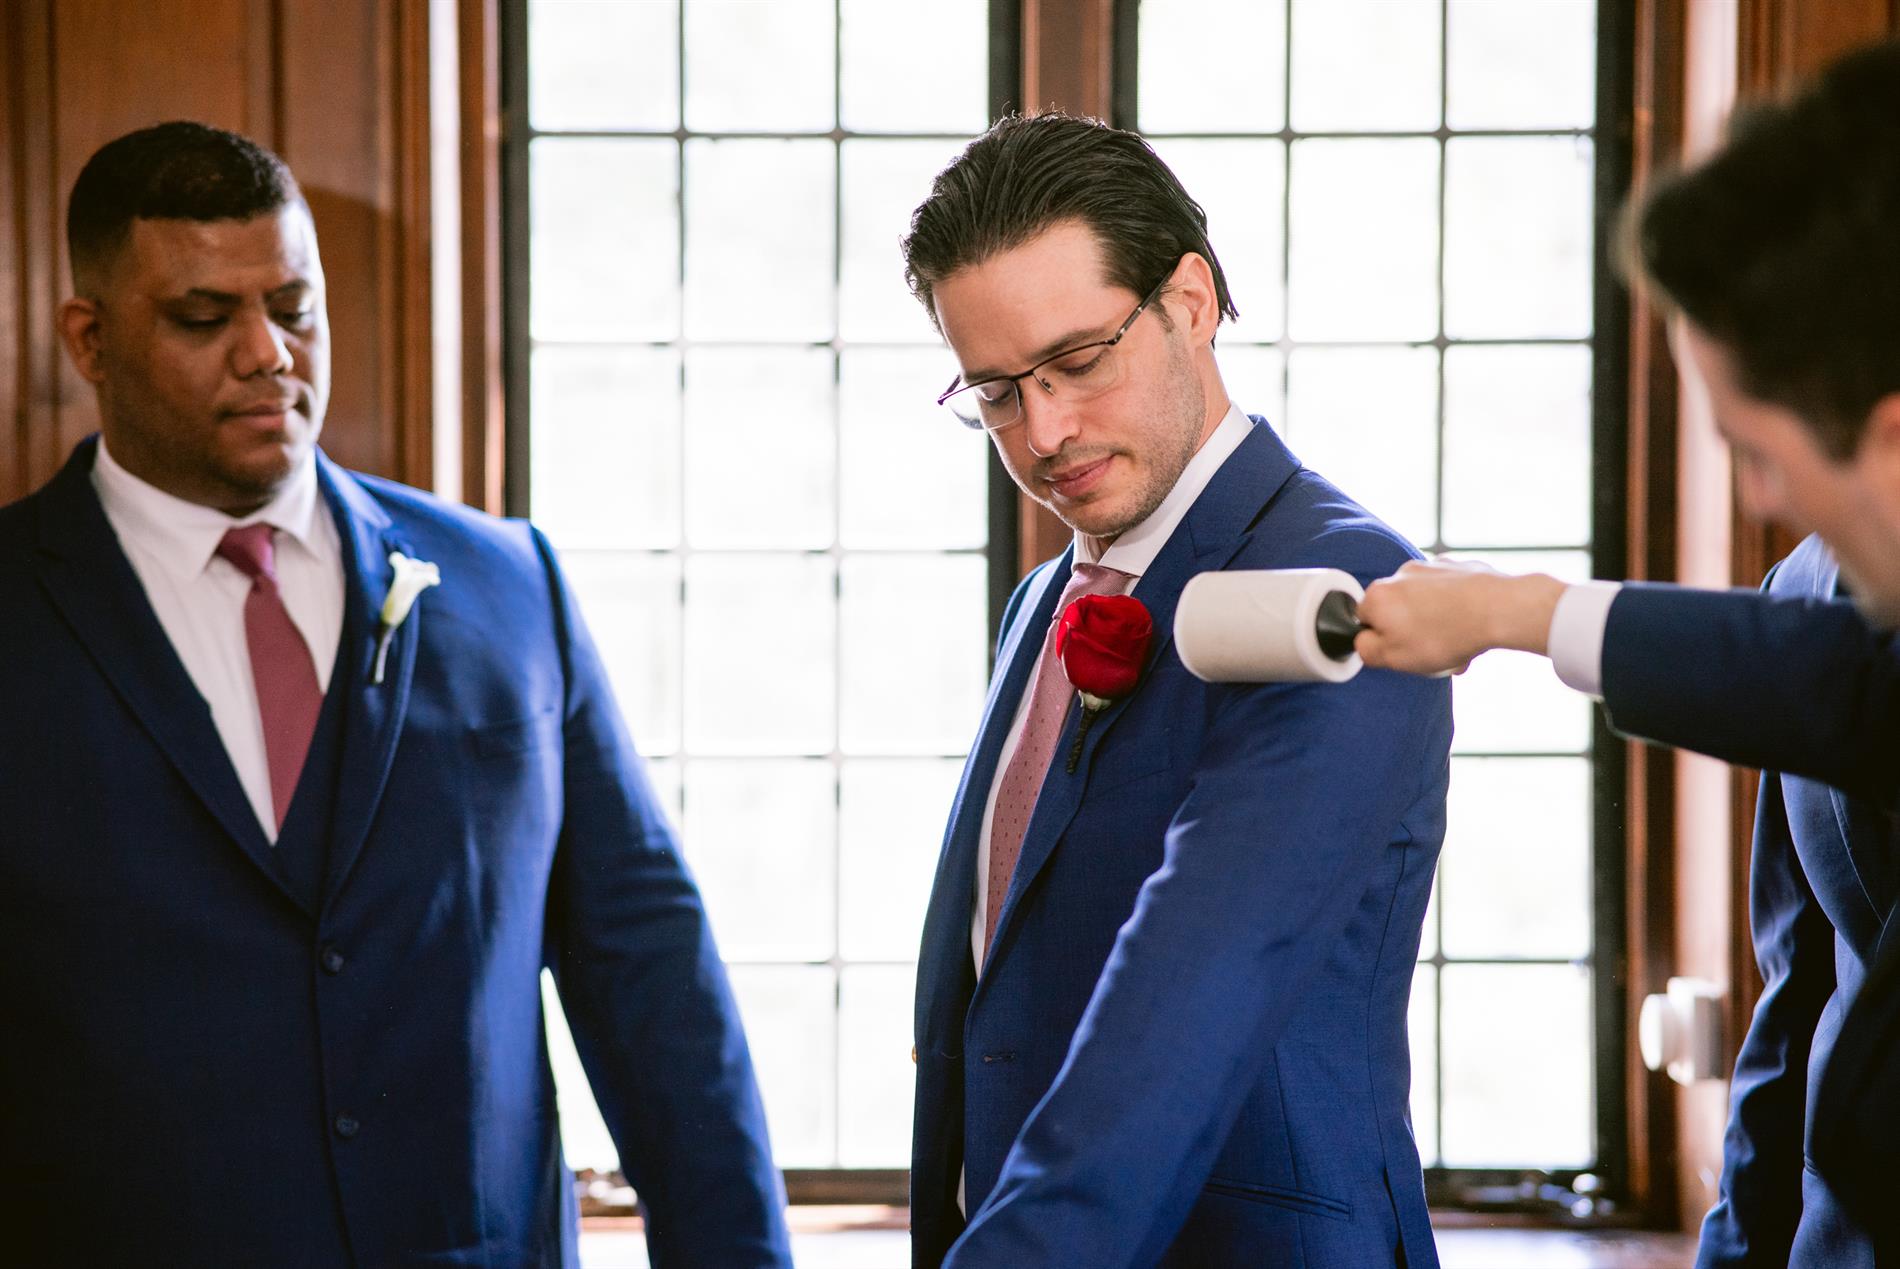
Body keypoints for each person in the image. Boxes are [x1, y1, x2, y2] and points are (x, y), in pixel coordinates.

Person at [0, 121, 792, 1267]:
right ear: (90, 339)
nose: (268, 355)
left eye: (294, 307)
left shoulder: (509, 586)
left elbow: (652, 977)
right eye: (204, 318)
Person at [1353, 39, 1900, 1266]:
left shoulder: (1821, 659)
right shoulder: (1802, 593)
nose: (1758, 498)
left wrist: (1516, 611)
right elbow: (1793, 1006)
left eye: (1755, 450)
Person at [900, 113, 1453, 1268]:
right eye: (996, 391)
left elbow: (1200, 994)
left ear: (1189, 303)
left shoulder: (1338, 587)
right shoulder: (1042, 603)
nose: (1044, 431)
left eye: (1077, 362)